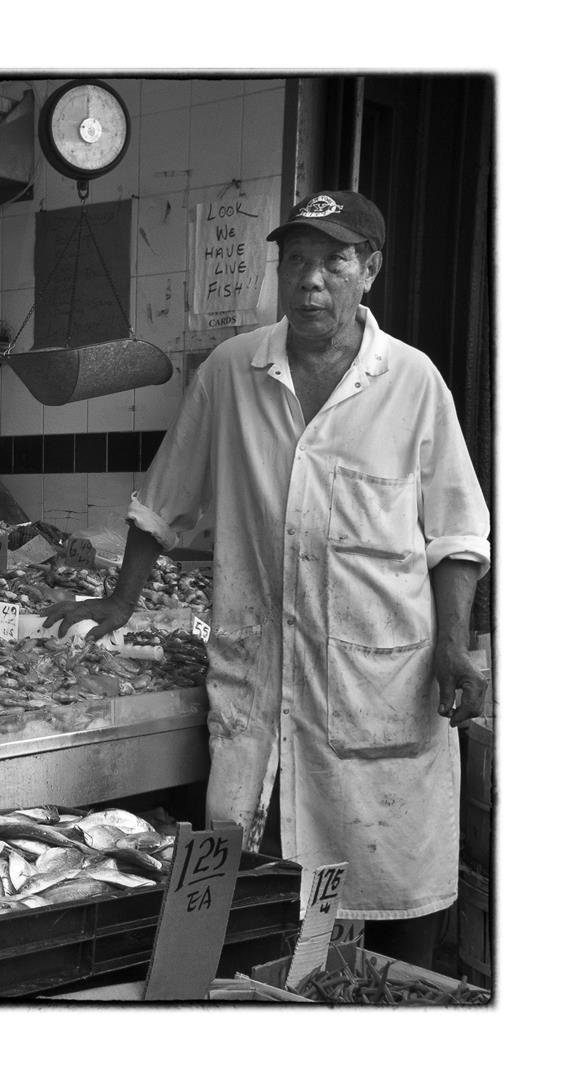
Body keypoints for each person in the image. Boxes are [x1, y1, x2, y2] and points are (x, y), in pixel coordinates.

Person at [44, 190, 490, 967]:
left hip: (382, 694)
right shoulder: (231, 370)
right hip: (258, 687)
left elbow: (456, 534)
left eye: (333, 262)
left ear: (370, 271)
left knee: (392, 926)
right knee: (252, 911)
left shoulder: (414, 382)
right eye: (296, 262)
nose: (310, 281)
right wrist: (120, 600)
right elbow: (163, 501)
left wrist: (454, 646)